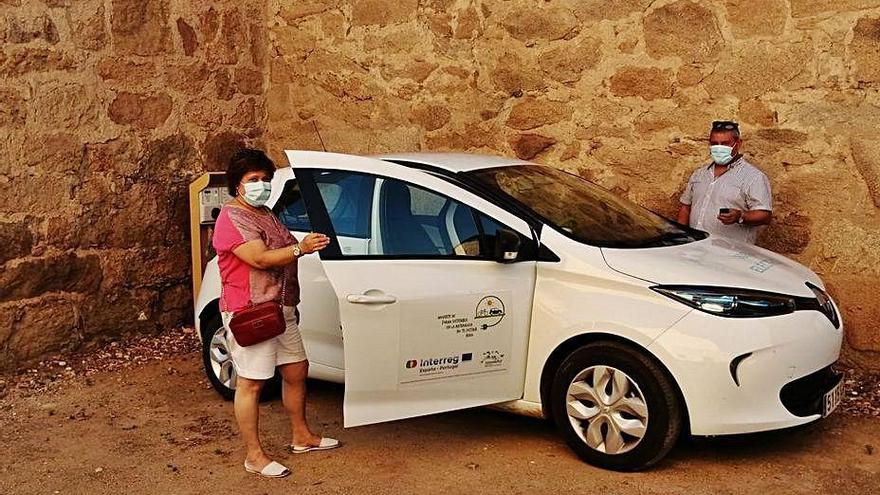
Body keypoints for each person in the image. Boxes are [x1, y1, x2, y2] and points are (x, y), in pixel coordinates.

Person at [212, 148, 337, 478]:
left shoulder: (265, 212)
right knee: (251, 383)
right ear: (236, 184)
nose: (261, 185)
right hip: (252, 311)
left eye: (266, 179)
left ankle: (301, 436)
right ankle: (254, 455)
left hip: (281, 308)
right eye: (253, 180)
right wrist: (300, 248)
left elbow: (280, 246)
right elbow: (260, 259)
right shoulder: (231, 219)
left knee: (296, 370)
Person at [677, 121, 773, 244]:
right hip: (696, 248)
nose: (719, 148)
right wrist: (681, 238)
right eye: (714, 144)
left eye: (725, 144)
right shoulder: (699, 174)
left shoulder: (754, 177)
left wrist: (740, 216)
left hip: (730, 253)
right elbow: (685, 208)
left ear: (738, 144)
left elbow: (765, 216)